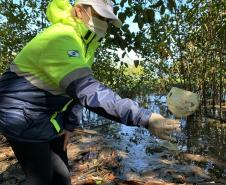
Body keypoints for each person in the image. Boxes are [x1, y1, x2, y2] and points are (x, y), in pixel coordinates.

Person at [0, 0, 180, 184]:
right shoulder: (61, 38)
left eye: (108, 20)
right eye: (100, 16)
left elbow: (73, 94)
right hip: (20, 115)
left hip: (46, 114)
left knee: (62, 176)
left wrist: (69, 126)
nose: (105, 23)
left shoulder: (84, 44)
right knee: (41, 177)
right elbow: (89, 91)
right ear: (79, 11)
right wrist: (145, 118)